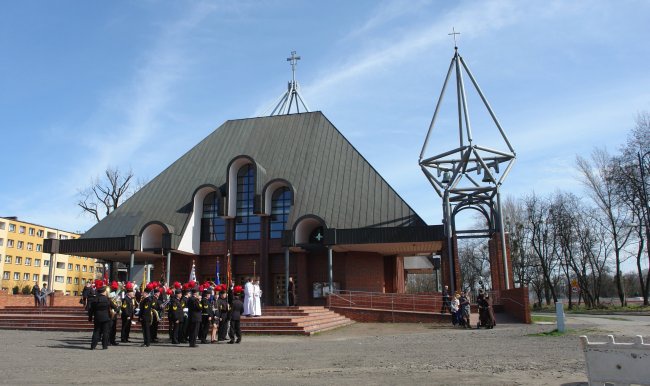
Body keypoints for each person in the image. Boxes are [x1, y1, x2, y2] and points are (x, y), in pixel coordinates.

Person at [88, 280, 111, 350]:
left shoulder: (94, 299)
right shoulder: (107, 299)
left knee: (96, 331)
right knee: (105, 332)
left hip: (97, 317)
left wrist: (90, 317)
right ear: (104, 292)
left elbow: (91, 309)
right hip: (106, 317)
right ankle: (104, 346)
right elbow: (113, 307)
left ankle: (93, 346)